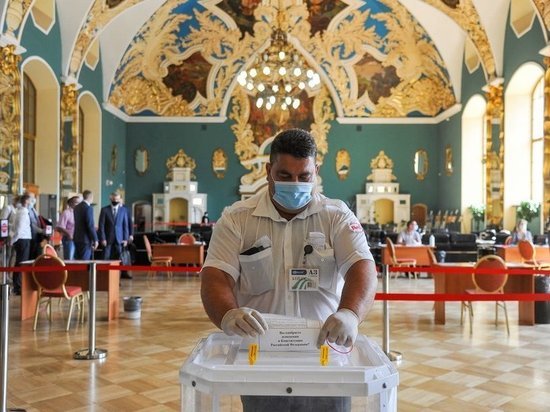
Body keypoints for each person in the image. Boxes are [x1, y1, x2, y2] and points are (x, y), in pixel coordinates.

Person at [200, 129, 378, 412]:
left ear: (316, 172)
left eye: (304, 176)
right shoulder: (237, 219)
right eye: (284, 176)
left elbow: (362, 267)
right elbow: (215, 276)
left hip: (325, 357)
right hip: (260, 359)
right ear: (268, 171)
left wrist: (350, 313)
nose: (295, 184)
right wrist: (228, 314)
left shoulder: (337, 217)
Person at [98, 192, 132, 278]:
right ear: (110, 199)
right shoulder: (104, 210)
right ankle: (104, 278)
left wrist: (126, 239)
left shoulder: (123, 210)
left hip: (119, 240)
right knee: (105, 259)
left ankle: (116, 280)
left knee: (118, 261)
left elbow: (125, 226)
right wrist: (103, 238)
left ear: (119, 199)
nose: (115, 201)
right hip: (107, 240)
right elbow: (101, 225)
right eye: (113, 199)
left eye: (117, 199)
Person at [10, 194, 32, 295]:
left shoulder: (22, 211)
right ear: (26, 201)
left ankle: (18, 285)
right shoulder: (22, 213)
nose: (32, 202)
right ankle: (17, 286)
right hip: (22, 240)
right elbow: (19, 229)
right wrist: (13, 240)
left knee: (20, 262)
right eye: (30, 200)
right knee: (21, 263)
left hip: (23, 239)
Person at [73, 190, 98, 260]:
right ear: (91, 197)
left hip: (77, 237)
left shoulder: (76, 207)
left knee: (78, 260)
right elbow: (90, 225)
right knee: (84, 261)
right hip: (85, 239)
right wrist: (95, 239)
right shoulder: (89, 208)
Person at [56, 194, 81, 260]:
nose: (78, 204)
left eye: (79, 203)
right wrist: (69, 234)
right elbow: (59, 227)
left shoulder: (79, 213)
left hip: (78, 239)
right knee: (69, 258)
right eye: (76, 202)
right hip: (69, 239)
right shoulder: (66, 213)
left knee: (77, 259)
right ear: (70, 203)